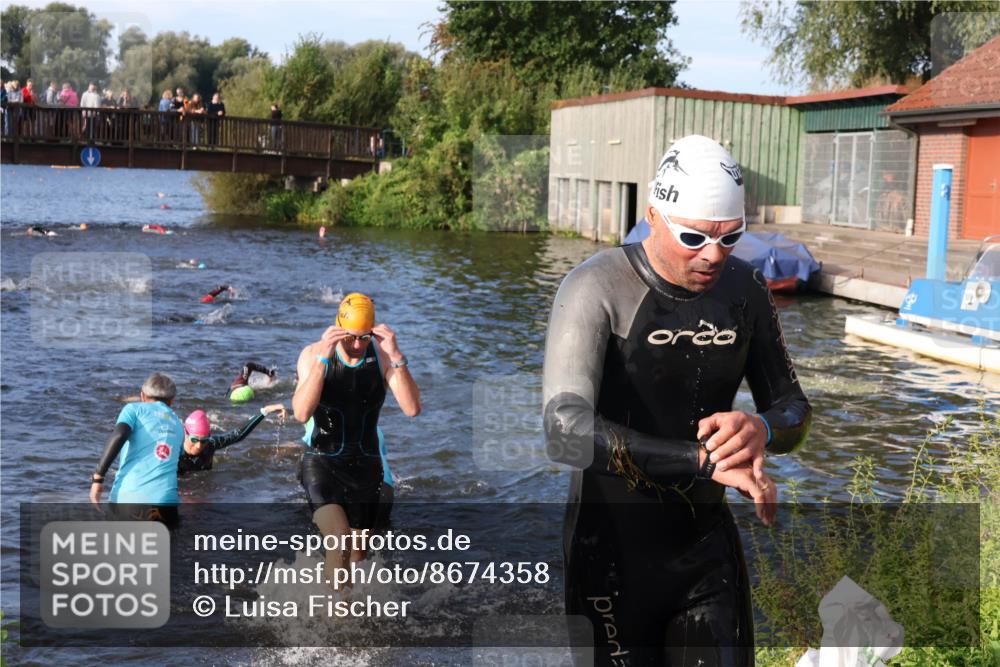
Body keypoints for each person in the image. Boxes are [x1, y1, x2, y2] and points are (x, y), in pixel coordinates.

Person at [542, 134, 811, 666]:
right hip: (611, 556)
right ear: (654, 216)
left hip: (705, 551)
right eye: (694, 236)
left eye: (731, 236)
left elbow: (794, 409)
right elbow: (563, 430)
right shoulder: (595, 287)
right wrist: (700, 460)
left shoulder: (746, 291)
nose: (714, 254)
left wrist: (762, 428)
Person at [292, 292, 420, 584]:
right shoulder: (313, 354)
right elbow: (300, 412)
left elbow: (412, 409)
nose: (358, 345)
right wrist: (323, 361)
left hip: (366, 466)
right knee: (338, 542)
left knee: (358, 554)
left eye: (365, 337)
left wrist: (398, 357)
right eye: (350, 337)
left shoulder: (383, 357)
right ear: (338, 328)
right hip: (322, 463)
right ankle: (337, 623)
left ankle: (352, 612)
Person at [90, 373, 185, 527]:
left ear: (142, 395)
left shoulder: (133, 409)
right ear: (172, 400)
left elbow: (119, 434)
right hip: (166, 507)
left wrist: (98, 478)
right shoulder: (179, 424)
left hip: (129, 503)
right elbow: (178, 463)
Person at [179, 404, 287, 475]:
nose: (199, 445)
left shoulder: (211, 444)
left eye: (204, 440)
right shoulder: (174, 452)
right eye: (194, 440)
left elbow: (238, 434)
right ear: (186, 433)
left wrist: (265, 411)